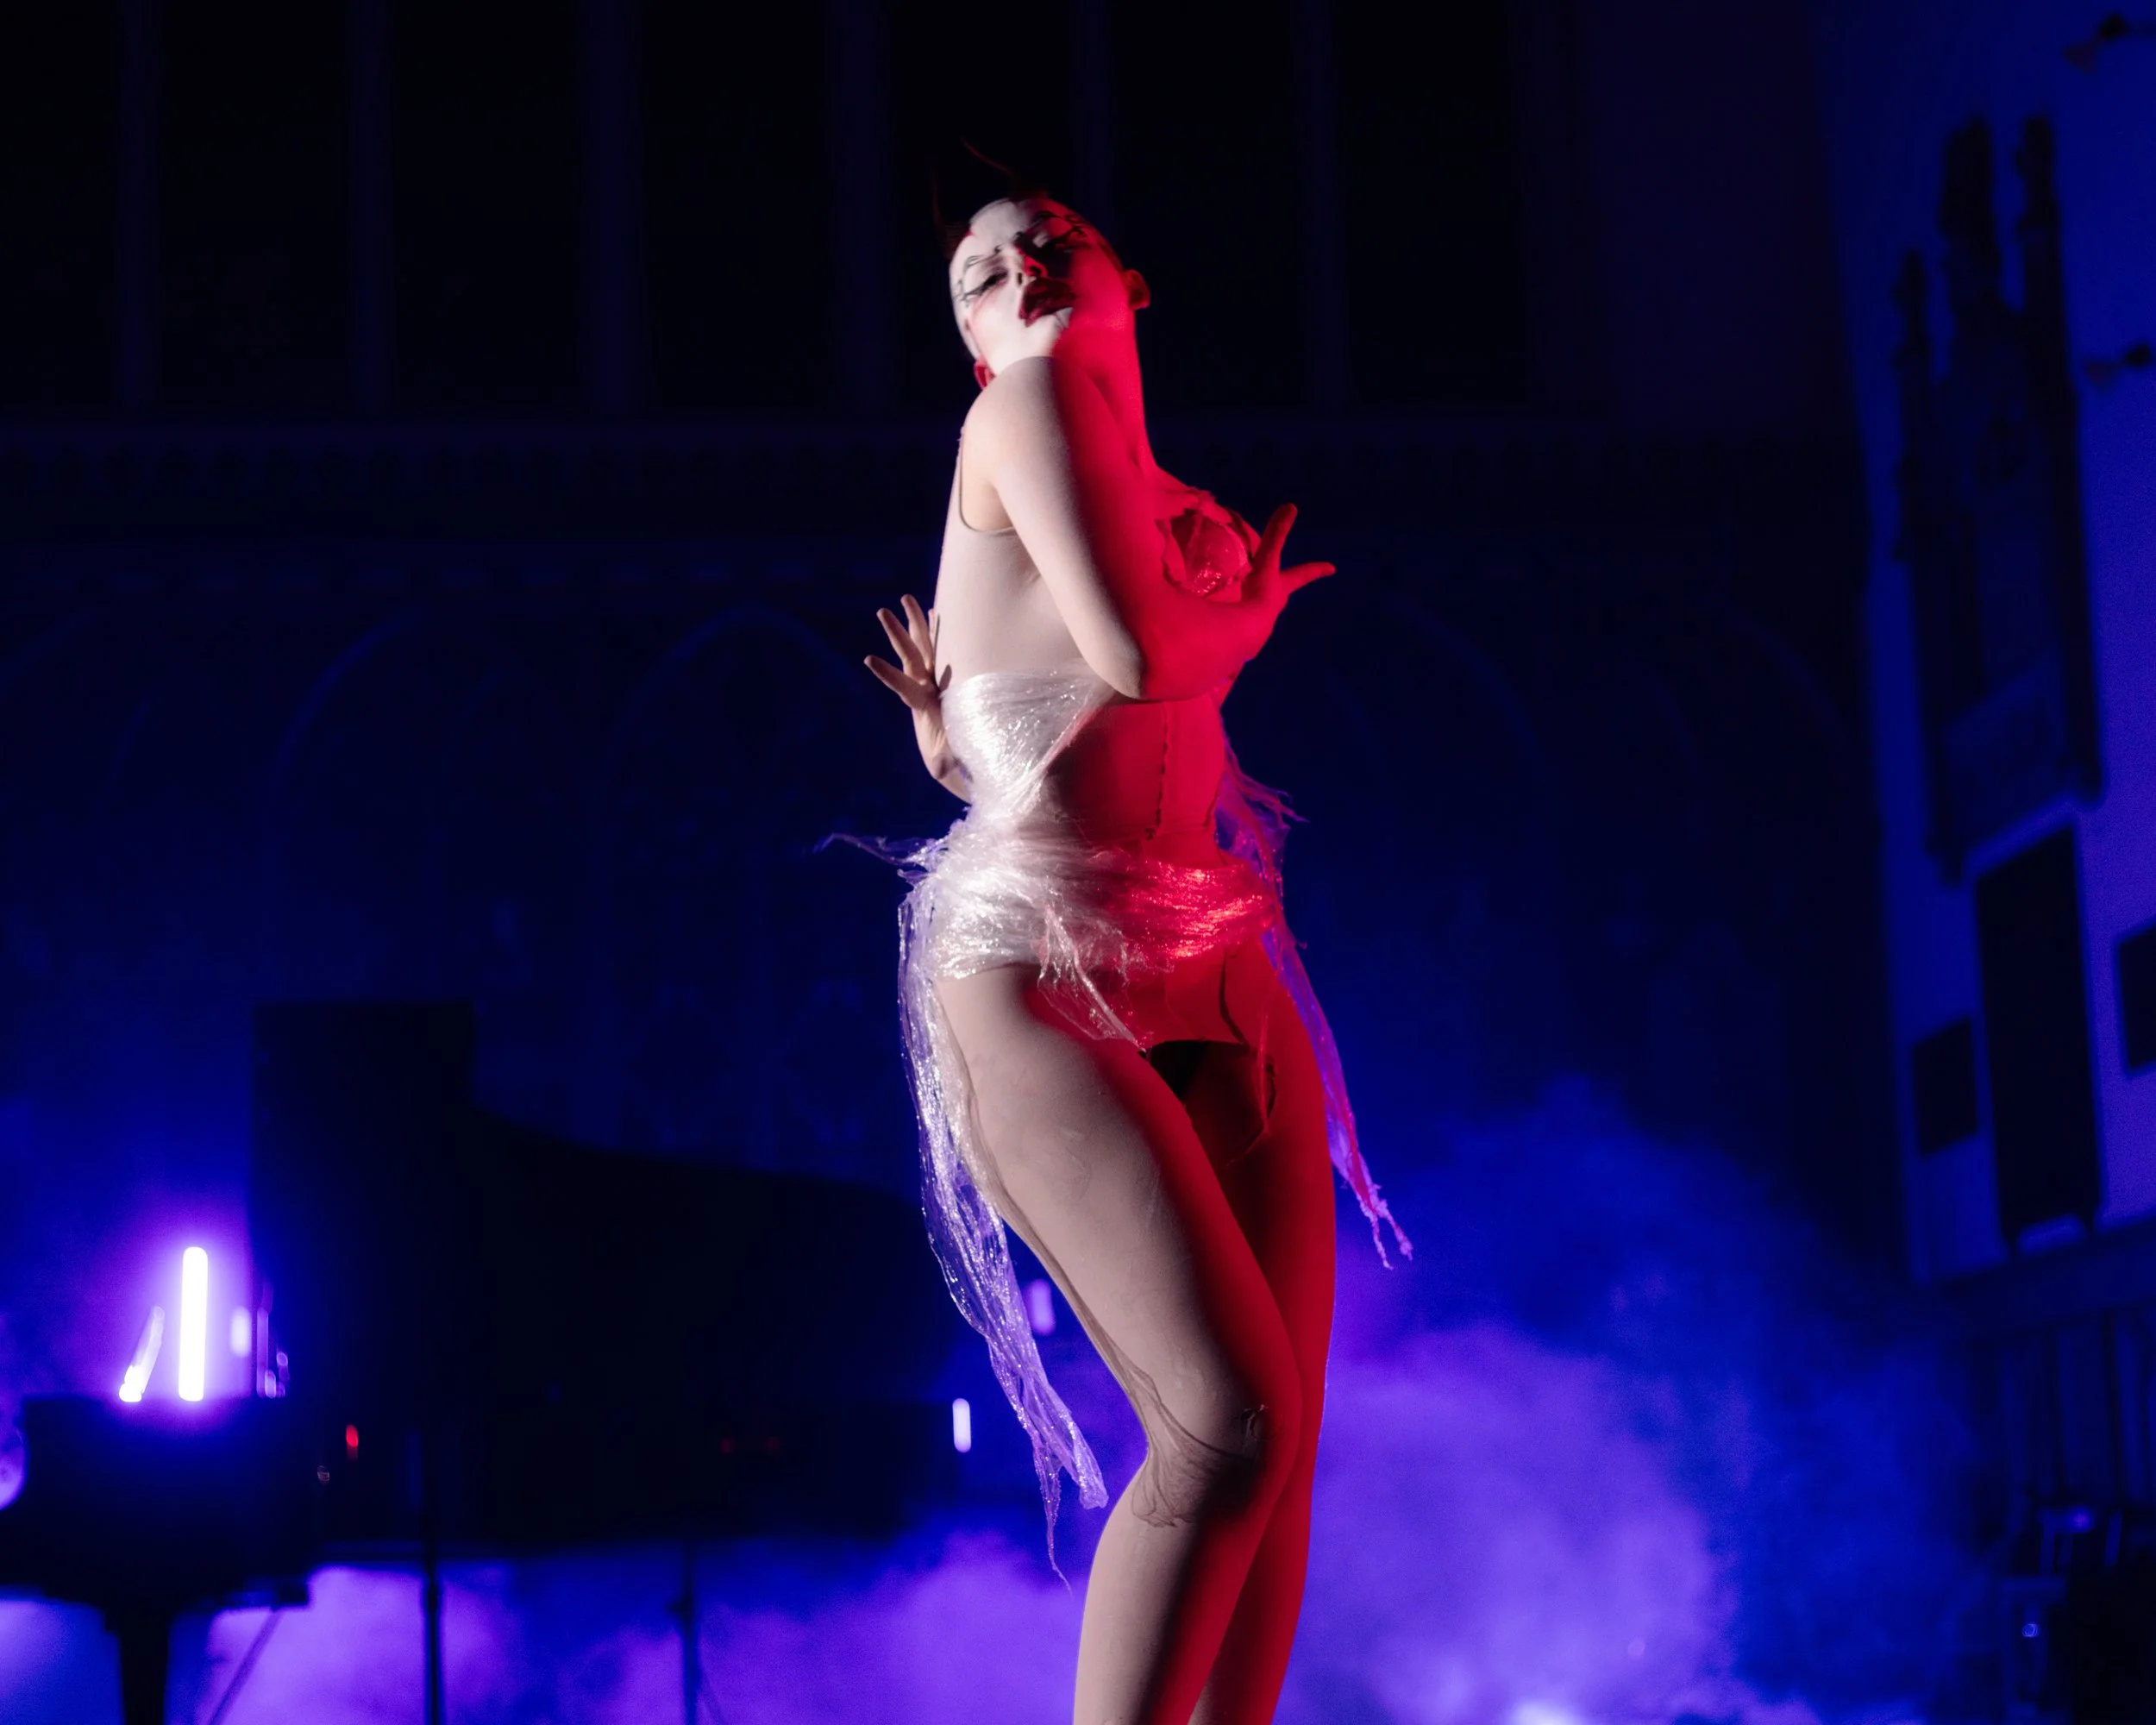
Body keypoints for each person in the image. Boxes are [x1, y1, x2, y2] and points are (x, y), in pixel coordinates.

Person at [862, 179, 1403, 1725]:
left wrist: (945, 735)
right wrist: (1260, 610)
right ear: (975, 343)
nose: (1022, 264)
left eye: (1056, 240)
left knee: (1282, 1447)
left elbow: (1031, 738)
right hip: (1036, 966)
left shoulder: (1143, 475)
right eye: (980, 267)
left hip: (1212, 940)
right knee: (1224, 1427)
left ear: (1133, 285)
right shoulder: (1018, 411)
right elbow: (1152, 658)